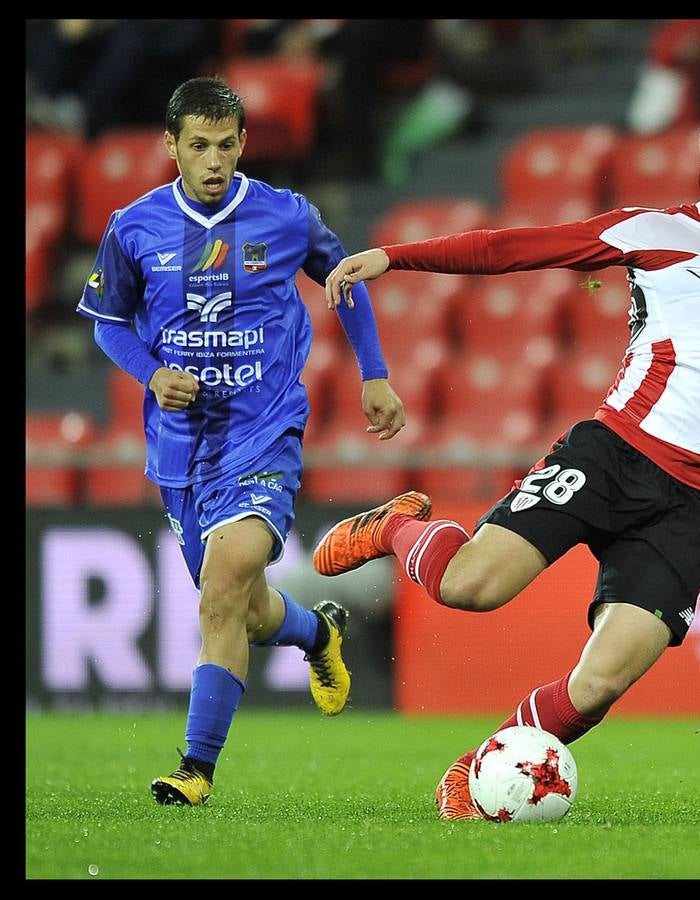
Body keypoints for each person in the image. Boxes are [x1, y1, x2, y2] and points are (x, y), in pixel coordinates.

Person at [311, 90, 700, 820]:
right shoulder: (657, 232)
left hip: (697, 504)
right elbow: (512, 248)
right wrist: (395, 255)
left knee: (601, 682)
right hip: (614, 454)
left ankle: (481, 768)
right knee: (469, 588)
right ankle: (396, 526)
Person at [76, 76, 408, 806]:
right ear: (171, 147)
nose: (214, 159)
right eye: (198, 145)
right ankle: (318, 634)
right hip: (178, 450)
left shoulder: (286, 217)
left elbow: (346, 279)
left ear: (243, 144)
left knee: (223, 590)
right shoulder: (134, 226)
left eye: (226, 144)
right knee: (244, 609)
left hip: (265, 436)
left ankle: (195, 769)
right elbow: (107, 319)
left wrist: (374, 375)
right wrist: (153, 373)